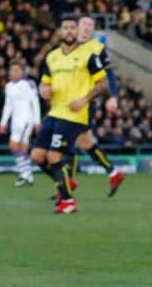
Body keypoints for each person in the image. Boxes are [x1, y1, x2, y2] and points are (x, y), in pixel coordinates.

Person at [31, 19, 108, 214]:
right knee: (37, 156)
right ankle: (65, 180)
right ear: (60, 31)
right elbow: (44, 84)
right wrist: (43, 91)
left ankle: (68, 201)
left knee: (53, 156)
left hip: (74, 115)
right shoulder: (52, 57)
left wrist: (84, 100)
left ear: (77, 31)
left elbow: (102, 84)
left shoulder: (89, 55)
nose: (69, 31)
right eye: (65, 27)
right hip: (54, 113)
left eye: (72, 27)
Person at [72, 15, 126, 197]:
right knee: (86, 143)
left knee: (68, 140)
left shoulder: (97, 48)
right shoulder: (68, 46)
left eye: (90, 25)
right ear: (78, 26)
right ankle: (114, 173)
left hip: (86, 101)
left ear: (93, 29)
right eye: (84, 24)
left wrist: (113, 97)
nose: (86, 27)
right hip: (69, 101)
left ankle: (67, 185)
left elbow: (109, 74)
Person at [0, 61, 41, 187]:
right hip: (15, 122)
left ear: (22, 71)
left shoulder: (28, 84)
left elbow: (35, 102)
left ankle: (25, 174)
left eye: (17, 70)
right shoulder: (9, 86)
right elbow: (8, 106)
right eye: (12, 70)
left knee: (15, 146)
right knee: (20, 148)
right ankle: (27, 176)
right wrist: (3, 123)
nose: (14, 72)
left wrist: (37, 121)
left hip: (27, 120)